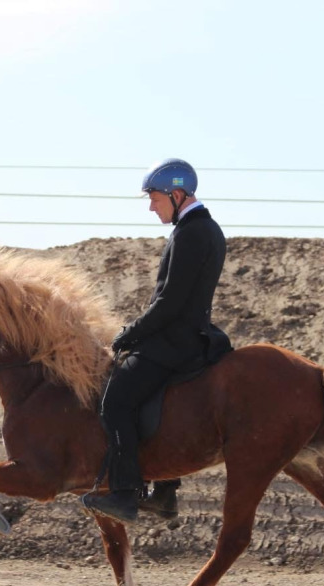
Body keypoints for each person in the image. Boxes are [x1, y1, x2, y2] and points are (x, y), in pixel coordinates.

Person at [81, 158, 232, 525]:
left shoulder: (191, 232)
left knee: (115, 402)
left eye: (155, 198)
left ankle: (124, 493)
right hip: (188, 336)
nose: (152, 206)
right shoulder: (205, 228)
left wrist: (130, 333)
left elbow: (170, 302)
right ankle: (164, 493)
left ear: (177, 194)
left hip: (174, 341)